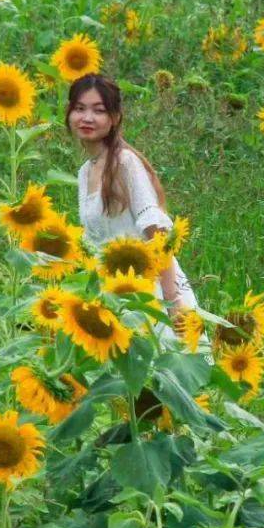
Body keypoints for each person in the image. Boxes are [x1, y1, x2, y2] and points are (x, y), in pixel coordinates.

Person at [67, 73, 199, 343]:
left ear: (114, 118)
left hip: (150, 290)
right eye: (80, 109)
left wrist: (173, 301)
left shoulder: (125, 163)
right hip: (112, 294)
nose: (87, 118)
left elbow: (157, 231)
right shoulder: (85, 172)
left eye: (98, 110)